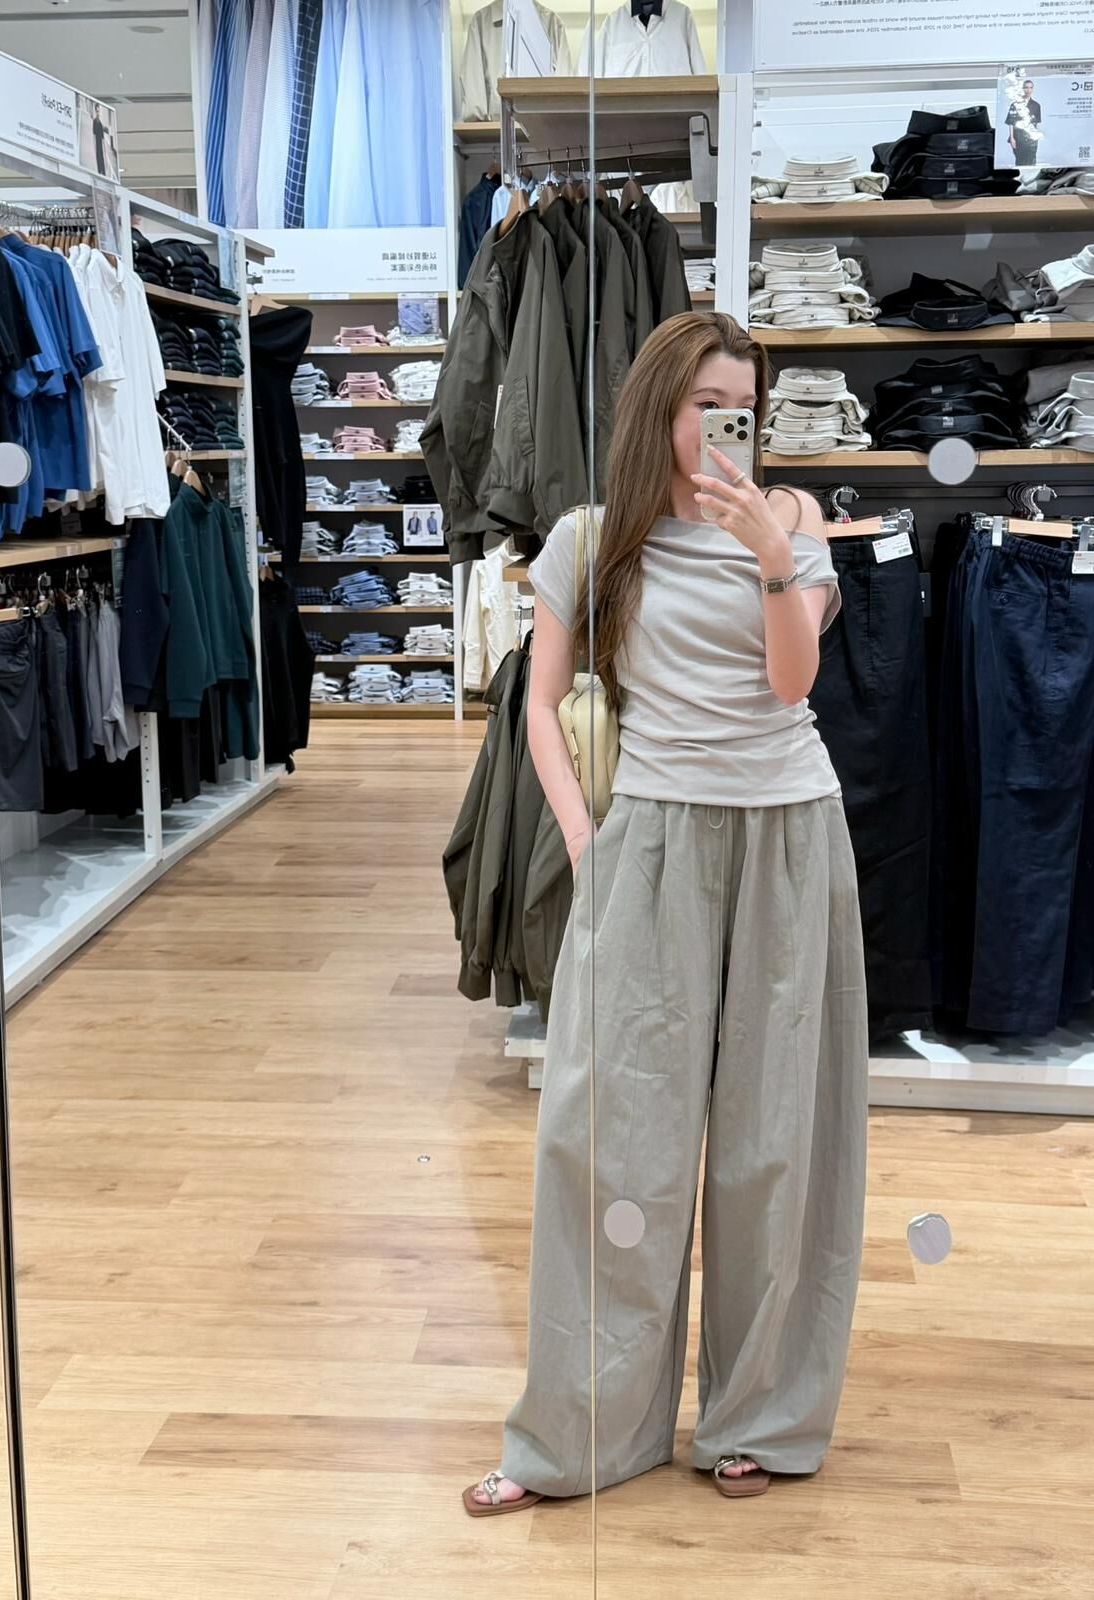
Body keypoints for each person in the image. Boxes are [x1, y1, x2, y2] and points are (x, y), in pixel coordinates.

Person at [464, 311, 868, 1515]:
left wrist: (773, 551)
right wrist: (586, 840)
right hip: (648, 839)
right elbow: (541, 705)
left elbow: (792, 682)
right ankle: (580, 1432)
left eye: (745, 407)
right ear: (660, 408)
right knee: (609, 1138)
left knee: (775, 1138)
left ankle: (758, 1415)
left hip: (789, 831)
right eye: (707, 405)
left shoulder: (791, 519)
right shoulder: (593, 538)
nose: (728, 425)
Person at [1007, 79, 1042, 166]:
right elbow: (1011, 122)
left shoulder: (1036, 105)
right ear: (1022, 89)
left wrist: (1037, 137)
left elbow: (1037, 123)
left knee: (1032, 161)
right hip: (1018, 138)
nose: (1028, 90)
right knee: (1020, 161)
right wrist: (1012, 138)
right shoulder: (1015, 105)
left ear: (1033, 89)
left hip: (1031, 139)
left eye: (1030, 87)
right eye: (1026, 87)